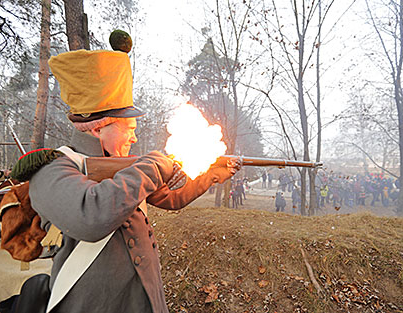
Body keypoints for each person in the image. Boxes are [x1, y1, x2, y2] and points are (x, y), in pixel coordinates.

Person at [25, 46, 241, 313]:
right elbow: (91, 216)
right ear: (98, 127)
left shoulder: (125, 170)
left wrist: (209, 175)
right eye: (129, 129)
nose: (134, 137)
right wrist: (151, 165)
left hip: (142, 300)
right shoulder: (50, 169)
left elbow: (168, 197)